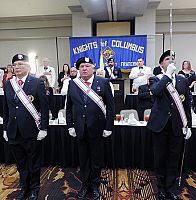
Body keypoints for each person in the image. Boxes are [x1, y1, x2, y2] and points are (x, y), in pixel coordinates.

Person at [66, 57, 115, 200]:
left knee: (96, 159)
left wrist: (109, 127)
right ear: (78, 69)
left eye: (87, 66)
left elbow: (111, 108)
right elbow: (69, 107)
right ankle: (85, 184)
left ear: (93, 68)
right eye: (82, 66)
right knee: (83, 159)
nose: (84, 68)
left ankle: (95, 185)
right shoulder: (73, 84)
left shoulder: (104, 82)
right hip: (80, 129)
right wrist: (70, 126)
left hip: (98, 128)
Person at [147, 50, 192, 200]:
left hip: (177, 126)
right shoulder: (155, 78)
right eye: (167, 59)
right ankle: (160, 188)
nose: (171, 61)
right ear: (161, 64)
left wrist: (188, 125)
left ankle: (170, 188)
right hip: (160, 125)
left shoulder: (182, 80)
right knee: (160, 158)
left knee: (174, 158)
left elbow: (187, 104)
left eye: (173, 59)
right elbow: (155, 92)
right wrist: (167, 76)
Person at [3, 54, 49, 200]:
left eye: (20, 64)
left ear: (28, 66)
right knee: (21, 164)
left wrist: (44, 128)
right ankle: (24, 187)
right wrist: (5, 128)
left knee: (34, 163)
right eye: (15, 65)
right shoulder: (8, 84)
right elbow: (6, 108)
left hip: (32, 131)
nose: (17, 67)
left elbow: (44, 107)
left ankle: (34, 189)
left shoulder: (36, 83)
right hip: (14, 131)